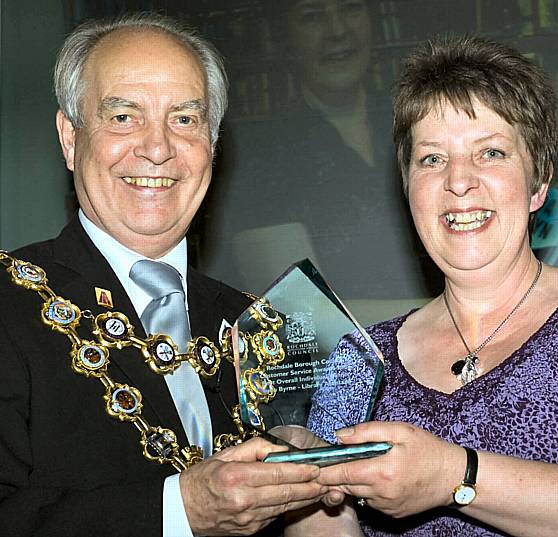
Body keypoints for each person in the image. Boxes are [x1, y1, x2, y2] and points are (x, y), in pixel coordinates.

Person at [287, 35, 558, 536]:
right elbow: (327, 521)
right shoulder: (358, 359)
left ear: (538, 183)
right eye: (432, 159)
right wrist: (297, 485)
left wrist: (457, 476)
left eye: (490, 153)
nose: (458, 182)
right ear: (407, 186)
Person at [0, 13, 330, 536]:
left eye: (184, 119)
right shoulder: (7, 303)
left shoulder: (265, 325)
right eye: (124, 116)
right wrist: (179, 512)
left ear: (213, 146)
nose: (157, 149)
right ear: (69, 138)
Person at [204, 0, 430, 308]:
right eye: (312, 17)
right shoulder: (263, 157)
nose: (337, 31)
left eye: (351, 9)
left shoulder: (422, 126)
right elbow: (301, 314)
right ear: (284, 39)